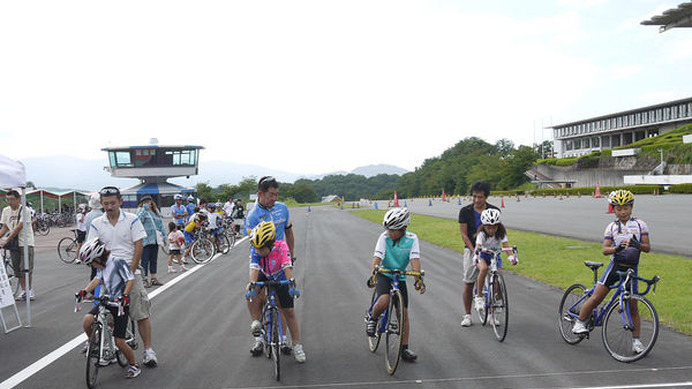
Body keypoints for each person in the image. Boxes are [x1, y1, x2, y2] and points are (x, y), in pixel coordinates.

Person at [86, 186, 158, 367]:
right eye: (106, 203)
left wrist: (130, 274)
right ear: (101, 204)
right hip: (109, 275)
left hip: (132, 272)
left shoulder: (132, 220)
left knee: (140, 312)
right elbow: (93, 249)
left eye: (113, 203)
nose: (109, 206)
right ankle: (111, 347)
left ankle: (148, 350)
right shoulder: (97, 223)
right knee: (108, 316)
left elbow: (138, 247)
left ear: (120, 202)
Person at [572, 190, 651, 354]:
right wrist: (617, 248)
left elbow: (647, 248)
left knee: (633, 306)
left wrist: (637, 245)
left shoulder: (640, 225)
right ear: (613, 210)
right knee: (597, 297)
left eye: (626, 208)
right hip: (615, 267)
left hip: (631, 269)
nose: (623, 212)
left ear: (632, 207)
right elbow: (605, 250)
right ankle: (579, 322)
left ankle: (636, 341)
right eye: (619, 209)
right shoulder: (612, 227)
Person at [75, 238, 141, 379]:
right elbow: (97, 280)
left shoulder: (117, 261)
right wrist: (84, 292)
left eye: (91, 262)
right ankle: (97, 345)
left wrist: (125, 296)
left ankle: (134, 365)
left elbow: (130, 278)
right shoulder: (102, 266)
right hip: (107, 301)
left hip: (120, 304)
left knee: (119, 341)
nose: (91, 265)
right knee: (87, 321)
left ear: (98, 257)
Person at [365, 207, 425, 362]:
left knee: (403, 313)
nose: (390, 233)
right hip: (384, 273)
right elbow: (377, 257)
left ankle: (404, 348)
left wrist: (418, 278)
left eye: (393, 230)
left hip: (400, 276)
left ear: (404, 228)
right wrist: (373, 275)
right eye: (388, 229)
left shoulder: (412, 239)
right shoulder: (383, 238)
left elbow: (415, 260)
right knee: (384, 300)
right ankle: (373, 318)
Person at [245, 221, 305, 363]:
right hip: (264, 273)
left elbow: (287, 268)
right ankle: (256, 322)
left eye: (262, 249)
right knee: (249, 289)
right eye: (257, 248)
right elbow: (254, 270)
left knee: (289, 310)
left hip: (280, 275)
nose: (258, 252)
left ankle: (296, 345)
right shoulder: (256, 248)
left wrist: (291, 285)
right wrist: (252, 288)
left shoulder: (282, 247)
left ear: (271, 244)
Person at [458, 181, 500, 327]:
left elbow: (499, 232)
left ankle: (493, 314)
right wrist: (473, 249)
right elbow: (464, 234)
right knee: (469, 283)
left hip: (490, 251)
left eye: (480, 197)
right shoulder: (465, 211)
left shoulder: (494, 210)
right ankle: (467, 315)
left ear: (486, 197)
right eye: (474, 196)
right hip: (472, 249)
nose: (476, 200)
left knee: (496, 281)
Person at [472, 209, 517, 318]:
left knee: (499, 276)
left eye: (494, 227)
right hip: (483, 255)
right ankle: (478, 297)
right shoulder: (482, 234)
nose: (492, 230)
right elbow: (478, 246)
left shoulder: (501, 233)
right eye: (489, 227)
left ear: (498, 225)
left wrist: (512, 258)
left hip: (495, 255)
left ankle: (496, 301)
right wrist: (476, 256)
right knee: (483, 269)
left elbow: (506, 247)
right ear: (484, 226)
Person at [0, 189, 36, 301]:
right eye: (8, 199)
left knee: (26, 268)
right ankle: (24, 290)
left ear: (19, 199)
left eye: (12, 199)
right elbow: (5, 227)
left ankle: (29, 290)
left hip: (25, 242)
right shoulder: (6, 210)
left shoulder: (25, 210)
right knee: (17, 269)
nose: (10, 202)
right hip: (14, 244)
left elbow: (19, 227)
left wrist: (6, 240)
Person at [245, 176, 294, 257]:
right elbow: (253, 244)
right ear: (260, 194)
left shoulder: (282, 208)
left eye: (276, 194)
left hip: (282, 258)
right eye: (271, 195)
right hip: (263, 261)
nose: (274, 198)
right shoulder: (252, 216)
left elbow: (289, 232)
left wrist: (291, 255)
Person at [136, 196, 167, 287]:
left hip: (155, 239)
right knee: (144, 260)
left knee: (153, 260)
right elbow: (138, 220)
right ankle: (144, 279)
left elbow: (161, 225)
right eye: (145, 201)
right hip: (145, 240)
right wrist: (144, 209)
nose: (147, 203)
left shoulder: (155, 212)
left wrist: (164, 237)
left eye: (149, 201)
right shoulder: (141, 211)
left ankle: (153, 278)